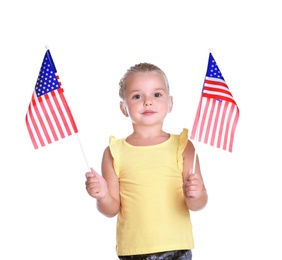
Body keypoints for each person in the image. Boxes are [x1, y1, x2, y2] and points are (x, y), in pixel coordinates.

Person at [85, 62, 208, 259]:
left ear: (170, 103)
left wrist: (196, 194)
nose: (148, 101)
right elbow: (111, 209)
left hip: (177, 249)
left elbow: (199, 203)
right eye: (137, 96)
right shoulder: (114, 152)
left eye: (157, 94)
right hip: (134, 252)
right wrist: (102, 195)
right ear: (124, 107)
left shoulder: (184, 146)